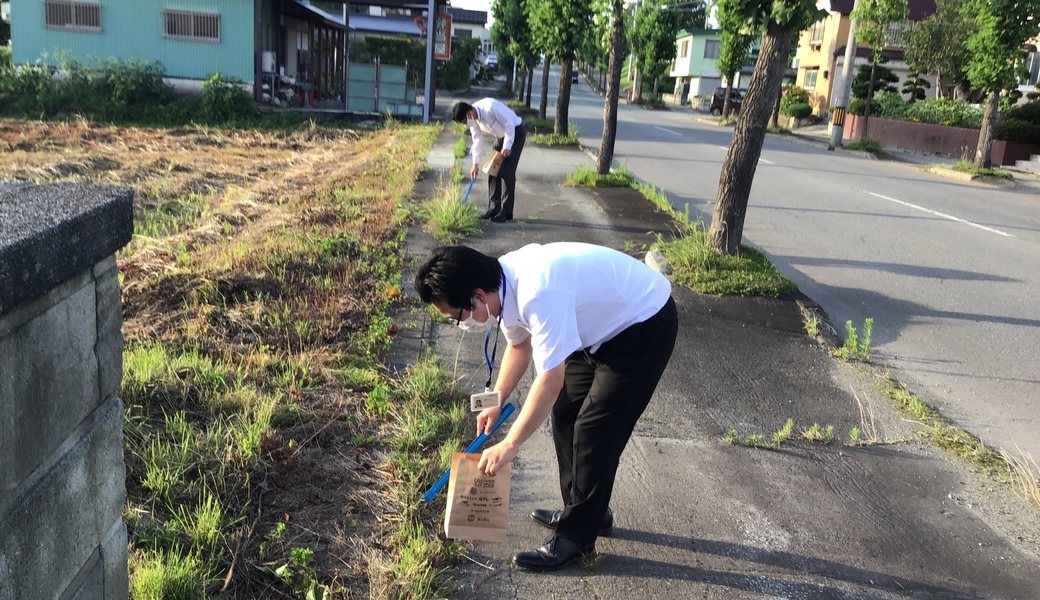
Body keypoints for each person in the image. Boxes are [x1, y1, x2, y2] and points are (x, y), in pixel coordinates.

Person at [414, 243, 678, 572]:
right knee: (565, 413)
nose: (460, 324)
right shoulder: (504, 283)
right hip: (599, 329)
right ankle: (584, 511)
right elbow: (519, 346)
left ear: (477, 296)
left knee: (594, 431)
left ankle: (576, 536)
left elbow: (550, 379)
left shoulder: (536, 292)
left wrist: (510, 444)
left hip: (643, 323)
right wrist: (496, 401)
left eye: (456, 317)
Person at [451, 99, 526, 223]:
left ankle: (507, 212)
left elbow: (509, 125)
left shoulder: (490, 107)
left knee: (507, 172)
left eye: (465, 122)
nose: (465, 125)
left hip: (515, 133)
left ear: (469, 114)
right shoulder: (473, 120)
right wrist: (475, 164)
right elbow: (477, 140)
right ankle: (494, 208)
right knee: (493, 170)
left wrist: (507, 147)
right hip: (501, 137)